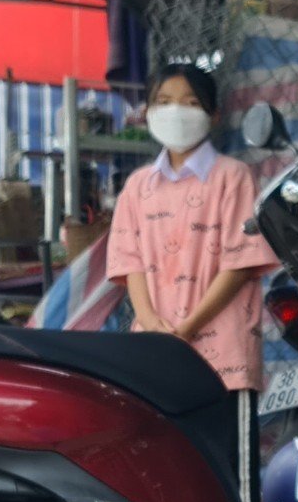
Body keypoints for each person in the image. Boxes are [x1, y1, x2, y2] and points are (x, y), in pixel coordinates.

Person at [107, 64, 280, 392]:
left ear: (213, 116)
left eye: (190, 103)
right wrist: (151, 324)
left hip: (225, 358)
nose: (176, 111)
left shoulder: (233, 177)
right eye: (164, 101)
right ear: (148, 112)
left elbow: (239, 265)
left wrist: (186, 328)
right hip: (152, 351)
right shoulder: (137, 186)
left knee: (221, 441)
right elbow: (131, 265)